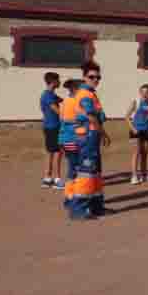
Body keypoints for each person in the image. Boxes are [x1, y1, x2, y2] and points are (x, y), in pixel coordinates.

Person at [70, 61, 110, 220]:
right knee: (86, 172)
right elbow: (91, 116)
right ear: (84, 77)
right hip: (87, 137)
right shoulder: (85, 94)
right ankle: (79, 209)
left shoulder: (91, 93)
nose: (95, 80)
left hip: (91, 137)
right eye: (92, 77)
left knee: (95, 172)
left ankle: (96, 205)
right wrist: (104, 134)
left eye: (98, 77)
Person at [125, 84, 148, 185]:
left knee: (145, 153)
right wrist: (133, 128)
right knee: (136, 152)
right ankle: (134, 176)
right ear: (140, 93)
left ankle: (144, 175)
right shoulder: (136, 101)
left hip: (147, 131)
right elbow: (126, 116)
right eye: (142, 92)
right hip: (136, 130)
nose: (144, 94)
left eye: (147, 92)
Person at [58, 78, 81, 209]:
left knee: (73, 168)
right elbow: (72, 120)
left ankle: (70, 195)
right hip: (72, 138)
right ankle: (70, 196)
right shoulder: (74, 102)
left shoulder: (65, 102)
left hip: (66, 138)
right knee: (75, 169)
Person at [40, 72, 63, 189]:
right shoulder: (48, 96)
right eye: (58, 80)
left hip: (49, 127)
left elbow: (63, 100)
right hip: (53, 127)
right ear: (53, 82)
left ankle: (47, 178)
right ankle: (57, 179)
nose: (60, 82)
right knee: (58, 152)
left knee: (50, 152)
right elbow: (57, 110)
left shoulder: (51, 95)